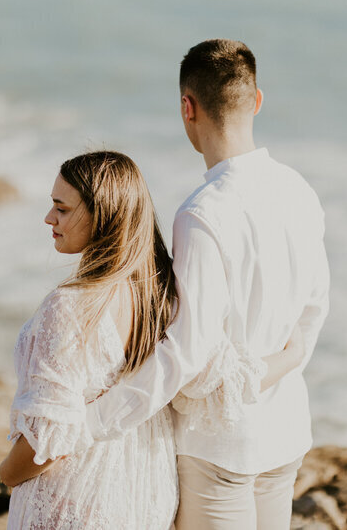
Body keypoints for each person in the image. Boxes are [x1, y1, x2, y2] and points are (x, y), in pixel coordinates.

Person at [83, 40, 330, 530]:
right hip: (285, 431)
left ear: (187, 107)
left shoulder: (202, 213)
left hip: (220, 448)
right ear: (257, 100)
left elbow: (186, 353)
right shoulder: (299, 190)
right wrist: (283, 363)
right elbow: (313, 312)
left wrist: (94, 422)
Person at [0, 151, 304, 529]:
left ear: (101, 217)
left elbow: (49, 441)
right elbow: (219, 380)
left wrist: (7, 473)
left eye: (61, 208)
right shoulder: (164, 298)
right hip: (144, 495)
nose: (49, 218)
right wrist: (293, 356)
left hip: (77, 497)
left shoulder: (70, 308)